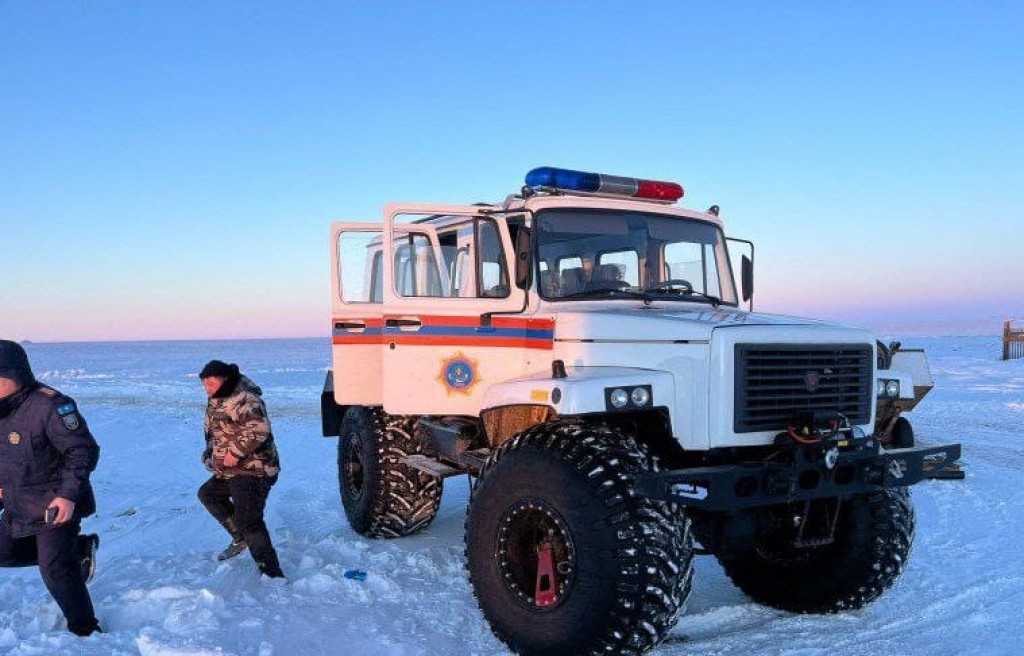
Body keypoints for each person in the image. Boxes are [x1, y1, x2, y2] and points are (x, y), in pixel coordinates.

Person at [0, 340, 101, 636]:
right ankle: (77, 551)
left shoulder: (50, 405)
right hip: (19, 503)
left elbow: (82, 450)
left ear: (12, 376)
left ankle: (86, 630)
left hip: (54, 505)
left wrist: (68, 495)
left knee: (55, 571)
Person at [196, 360, 284, 578]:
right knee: (208, 494)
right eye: (204, 384)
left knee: (249, 520)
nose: (207, 389)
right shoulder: (217, 399)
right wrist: (210, 456)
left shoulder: (245, 398)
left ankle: (271, 573)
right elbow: (214, 434)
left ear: (225, 379)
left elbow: (259, 430)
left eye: (211, 383)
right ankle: (240, 537)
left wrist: (234, 454)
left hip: (255, 469)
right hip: (232, 470)